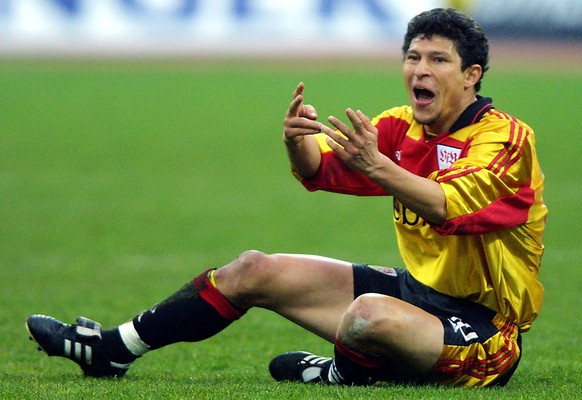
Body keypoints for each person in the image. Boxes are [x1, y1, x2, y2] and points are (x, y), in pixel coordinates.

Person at [26, 8, 547, 388]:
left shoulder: (505, 138)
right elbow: (320, 168)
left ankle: (338, 374)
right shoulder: (400, 126)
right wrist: (296, 141)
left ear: (472, 75)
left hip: (486, 333)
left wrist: (378, 166)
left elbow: (450, 205)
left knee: (369, 317)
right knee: (252, 269)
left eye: (438, 60)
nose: (419, 70)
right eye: (412, 57)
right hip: (417, 293)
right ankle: (111, 351)